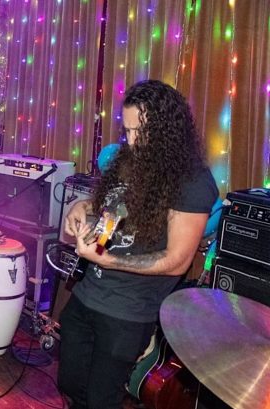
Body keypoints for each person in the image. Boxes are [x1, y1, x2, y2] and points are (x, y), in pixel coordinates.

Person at [58, 79, 218, 409]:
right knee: (70, 384)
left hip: (127, 313)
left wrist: (107, 260)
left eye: (140, 132)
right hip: (88, 293)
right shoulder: (129, 161)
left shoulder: (192, 180)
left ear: (167, 130)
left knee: (101, 400)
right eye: (127, 131)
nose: (131, 141)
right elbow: (113, 207)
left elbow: (177, 260)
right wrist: (83, 206)